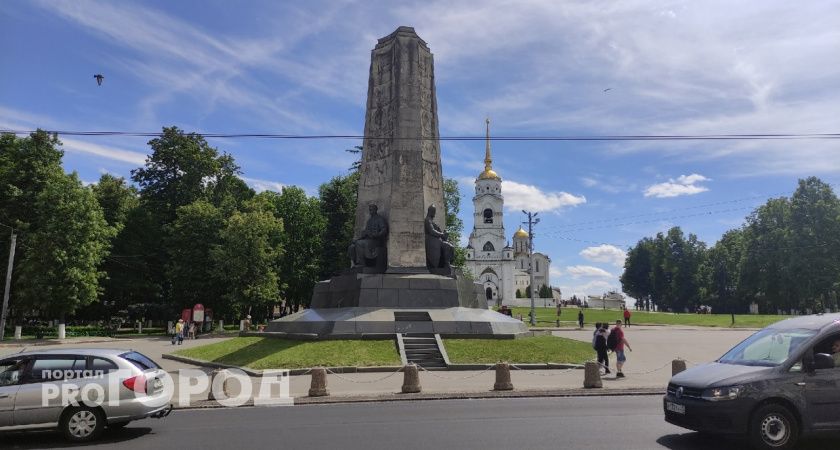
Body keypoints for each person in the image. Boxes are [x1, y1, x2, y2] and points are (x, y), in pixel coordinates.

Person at [349, 203, 388, 269]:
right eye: (370, 210)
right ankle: (353, 263)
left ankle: (361, 263)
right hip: (368, 239)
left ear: (376, 210)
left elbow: (384, 230)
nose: (371, 211)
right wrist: (362, 236)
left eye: (372, 210)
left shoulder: (380, 219)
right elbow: (366, 231)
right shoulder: (369, 220)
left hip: (376, 241)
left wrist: (376, 235)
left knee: (359, 243)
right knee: (352, 245)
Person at [424, 204, 454, 270]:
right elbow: (432, 231)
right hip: (432, 242)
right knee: (447, 246)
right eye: (433, 211)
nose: (434, 213)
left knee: (451, 246)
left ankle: (447, 263)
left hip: (437, 240)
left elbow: (438, 230)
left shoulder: (432, 221)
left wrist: (444, 234)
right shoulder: (427, 220)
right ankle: (446, 264)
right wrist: (442, 234)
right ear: (430, 211)